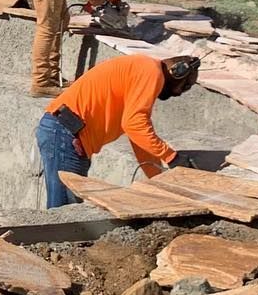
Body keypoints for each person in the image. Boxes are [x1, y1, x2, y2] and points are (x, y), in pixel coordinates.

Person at [36, 54, 202, 209]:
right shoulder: (152, 72)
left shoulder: (142, 70)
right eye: (185, 86)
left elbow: (138, 136)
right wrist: (172, 157)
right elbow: (134, 124)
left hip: (65, 134)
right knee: (64, 211)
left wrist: (158, 179)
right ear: (178, 71)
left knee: (68, 208)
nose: (180, 92)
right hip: (64, 134)